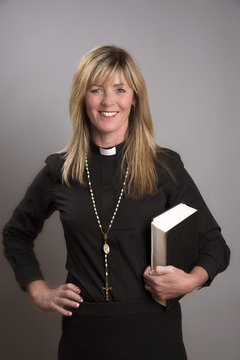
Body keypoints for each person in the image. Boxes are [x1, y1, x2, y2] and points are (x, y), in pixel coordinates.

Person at [2, 45, 230, 360]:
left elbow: (215, 244)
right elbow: (16, 234)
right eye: (97, 90)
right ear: (83, 98)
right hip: (84, 337)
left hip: (155, 336)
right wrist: (38, 290)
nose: (109, 101)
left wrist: (189, 281)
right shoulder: (61, 169)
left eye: (120, 89)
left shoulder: (164, 166)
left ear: (134, 99)